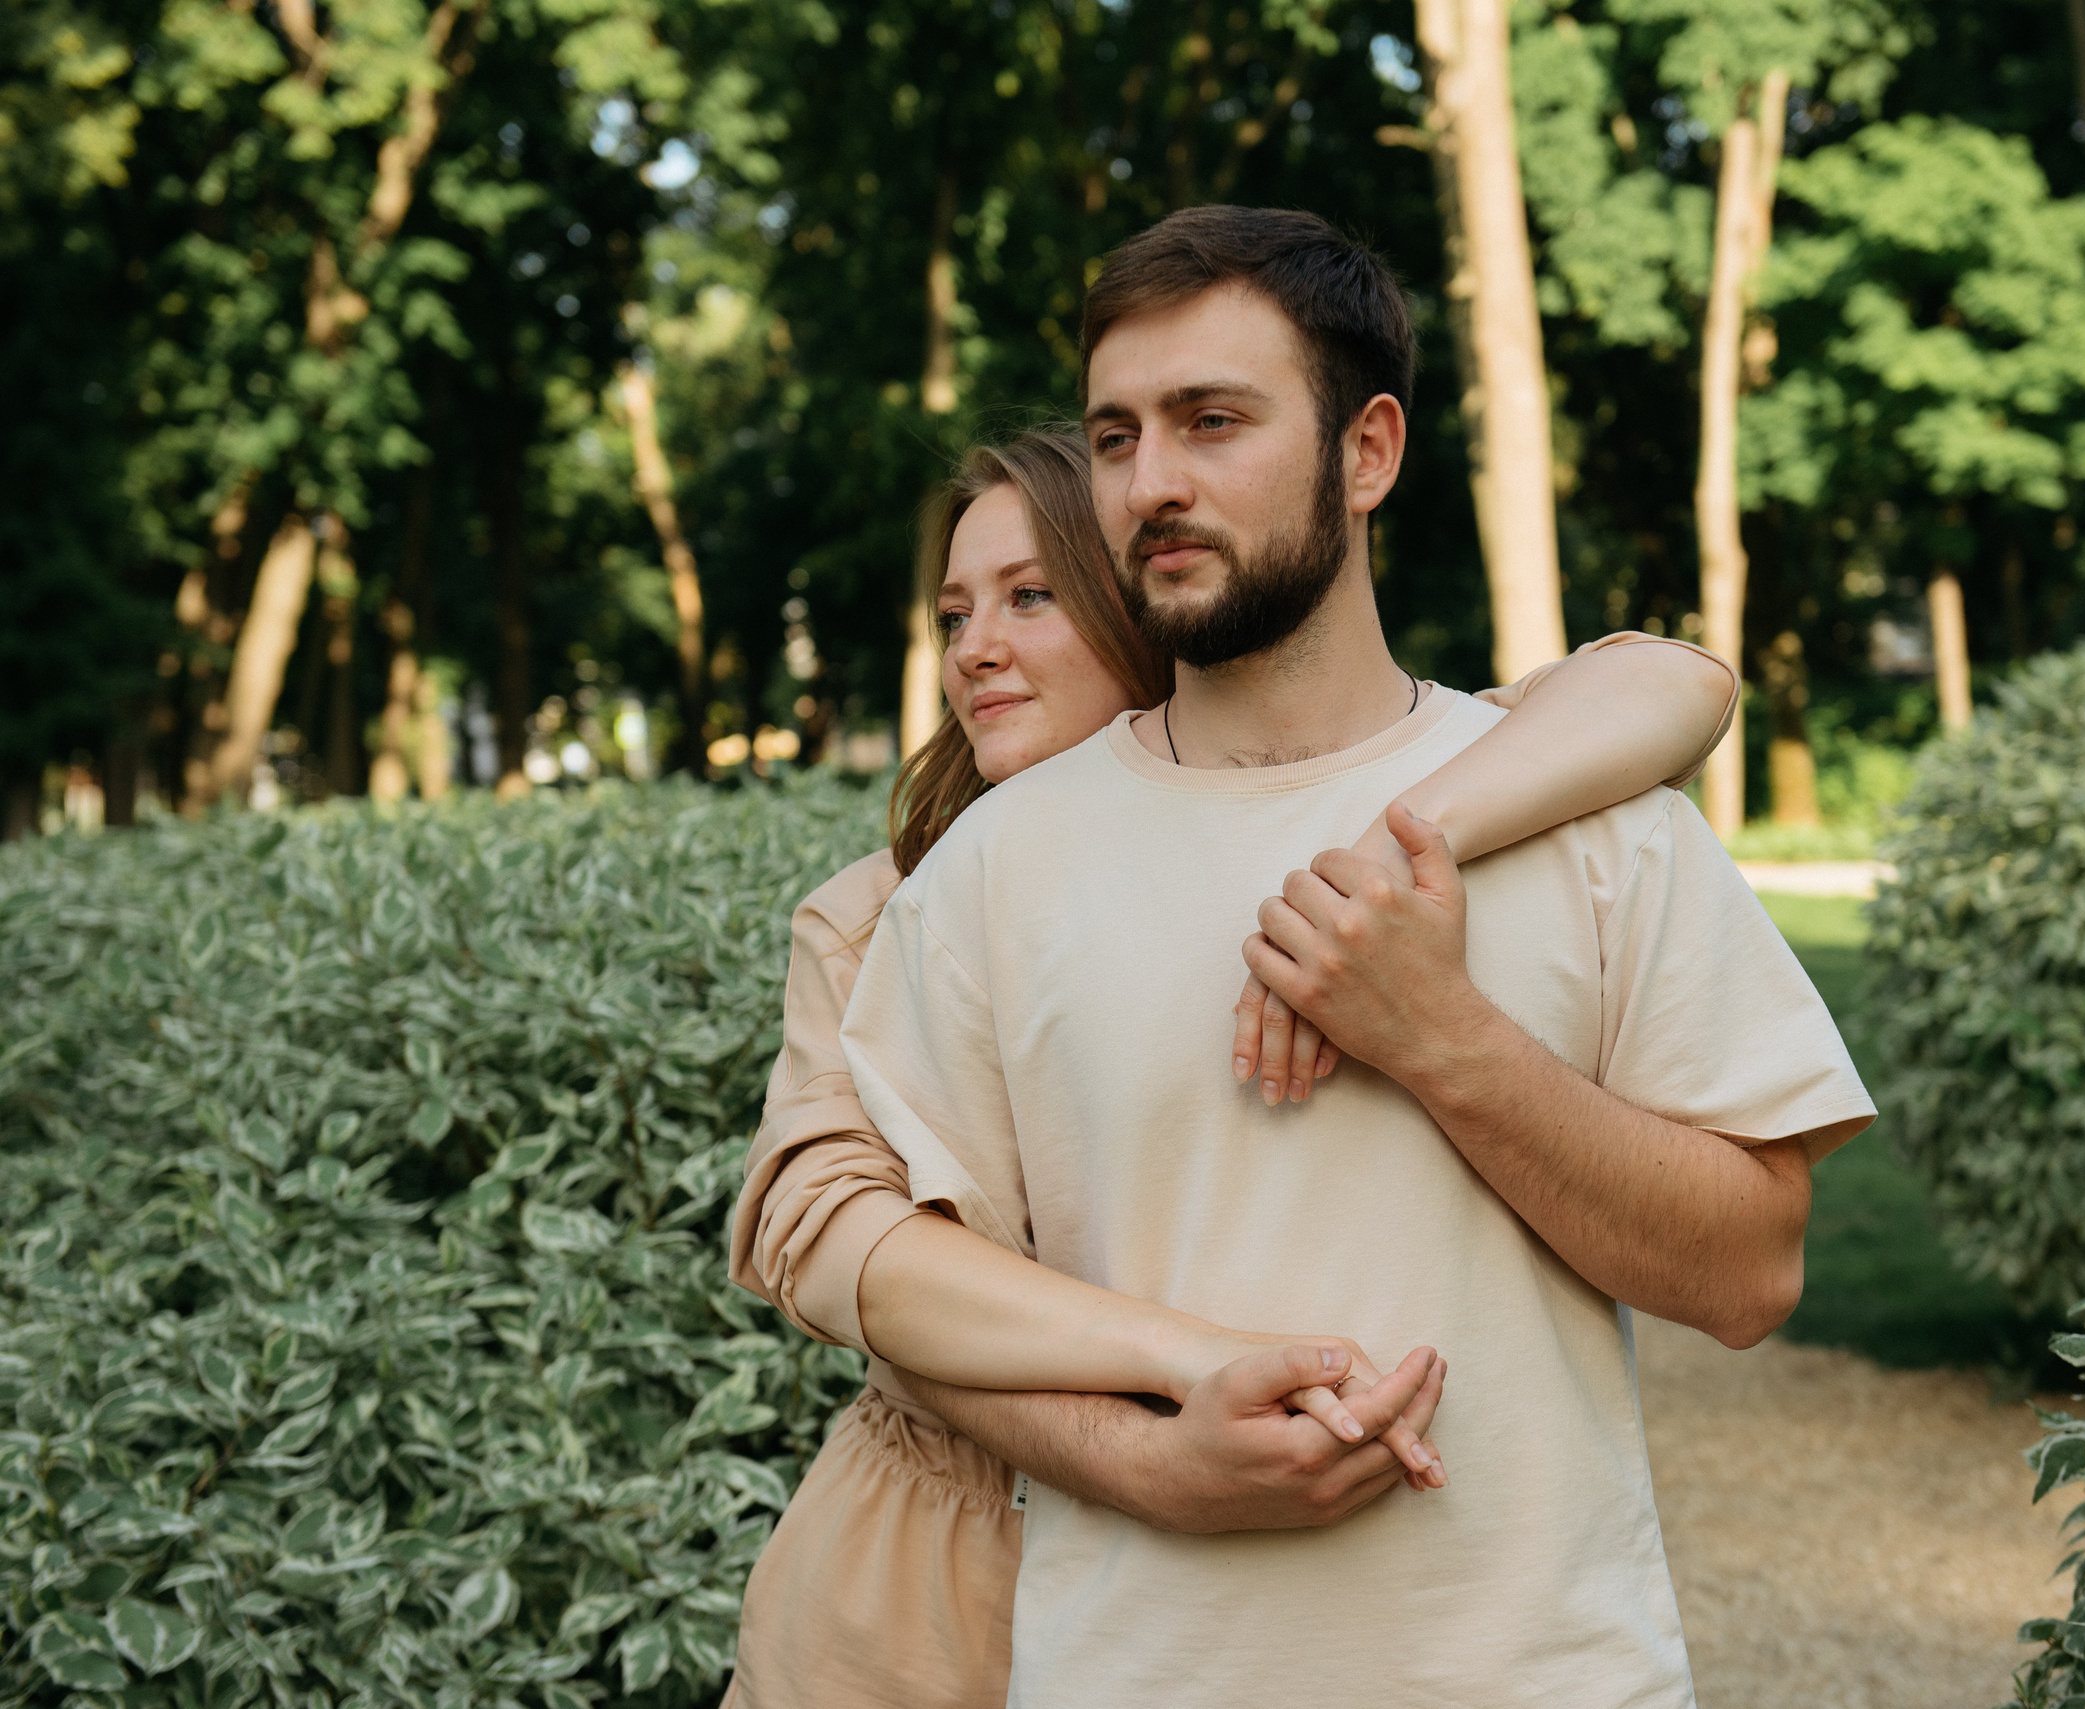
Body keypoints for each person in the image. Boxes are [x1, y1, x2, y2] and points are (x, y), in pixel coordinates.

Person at [839, 207, 1874, 1707]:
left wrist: (1442, 1035)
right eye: (1117, 435)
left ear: (1369, 451)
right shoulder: (994, 874)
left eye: (1213, 422)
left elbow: (1748, 1272)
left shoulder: (1595, 822)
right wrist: (1152, 1460)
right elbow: (923, 1317)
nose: (1153, 482)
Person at [726, 428, 1738, 1707]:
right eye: (953, 610)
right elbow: (829, 1239)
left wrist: (1380, 847)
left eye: (1031, 596)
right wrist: (1167, 1406)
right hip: (928, 1582)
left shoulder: (1337, 843)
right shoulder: (882, 914)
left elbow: (1668, 680)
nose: (973, 645)